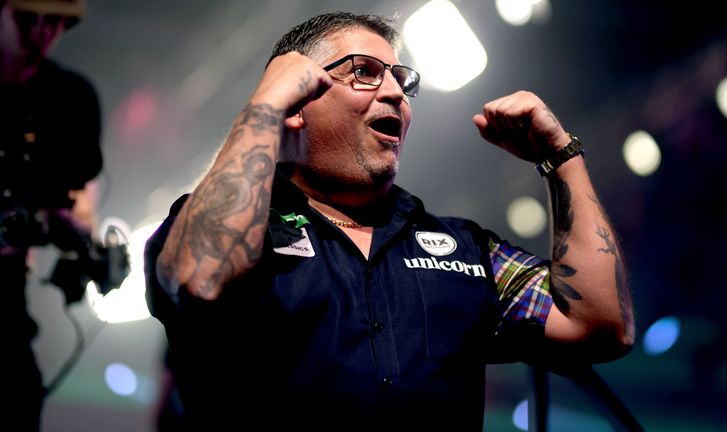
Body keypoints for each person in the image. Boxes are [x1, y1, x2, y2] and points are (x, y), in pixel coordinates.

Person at [144, 11, 634, 430]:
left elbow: (599, 325)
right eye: (365, 72)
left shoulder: (462, 246)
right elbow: (199, 277)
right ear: (296, 99)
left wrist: (561, 157)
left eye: (402, 78)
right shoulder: (228, 224)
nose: (397, 92)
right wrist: (266, 104)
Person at [0, 0, 102, 430]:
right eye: (26, 19)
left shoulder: (68, 97)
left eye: (57, 22)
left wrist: (84, 241)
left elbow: (77, 203)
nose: (41, 35)